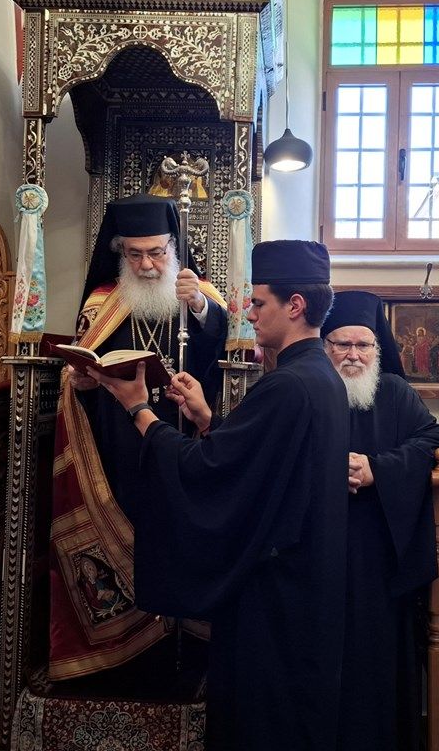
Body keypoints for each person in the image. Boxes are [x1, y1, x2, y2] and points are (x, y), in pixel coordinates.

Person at [91, 240, 350, 751]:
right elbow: (262, 465)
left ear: (295, 305)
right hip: (305, 585)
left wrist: (138, 408)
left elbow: (210, 472)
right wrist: (208, 420)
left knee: (266, 723)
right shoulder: (319, 376)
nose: (248, 314)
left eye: (259, 303)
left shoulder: (290, 385)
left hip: (275, 595)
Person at [47, 193, 228, 682]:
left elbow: (222, 344)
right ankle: (127, 655)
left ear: (173, 247)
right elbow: (83, 371)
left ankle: (185, 651)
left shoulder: (196, 292)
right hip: (118, 445)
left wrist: (197, 304)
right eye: (135, 254)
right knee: (131, 527)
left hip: (181, 434)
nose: (147, 265)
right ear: (119, 251)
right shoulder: (102, 300)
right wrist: (83, 382)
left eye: (156, 253)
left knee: (177, 532)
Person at [321, 290, 439, 751]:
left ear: (378, 349)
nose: (353, 355)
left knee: (377, 664)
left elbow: (433, 441)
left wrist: (378, 469)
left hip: (378, 552)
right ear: (325, 346)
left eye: (363, 345)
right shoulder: (307, 388)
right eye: (343, 344)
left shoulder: (395, 391)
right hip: (318, 551)